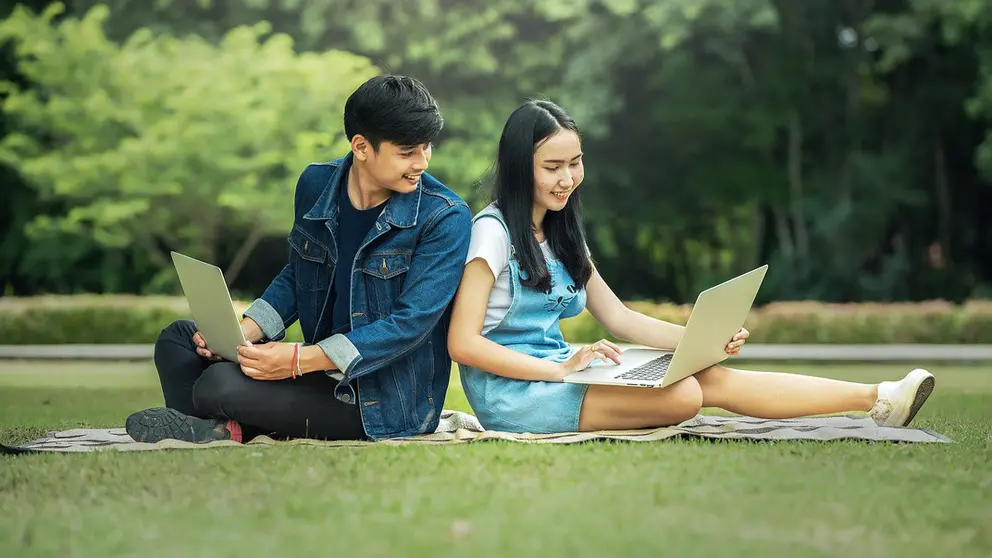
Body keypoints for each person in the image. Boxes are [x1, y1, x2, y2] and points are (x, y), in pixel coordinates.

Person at [446, 99, 935, 434]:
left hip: (562, 370)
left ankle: (879, 398)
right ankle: (875, 399)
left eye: (575, 162)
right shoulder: (492, 233)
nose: (568, 178)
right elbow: (462, 343)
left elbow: (620, 318)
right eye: (552, 167)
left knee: (709, 376)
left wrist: (699, 342)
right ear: (518, 167)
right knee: (685, 397)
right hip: (514, 392)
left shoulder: (560, 231)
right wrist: (558, 372)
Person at [126, 75, 472, 443]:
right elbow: (297, 274)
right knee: (179, 339)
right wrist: (244, 332)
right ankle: (222, 428)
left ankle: (220, 423)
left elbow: (410, 324)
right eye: (407, 152)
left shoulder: (444, 217)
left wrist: (298, 360)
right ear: (361, 146)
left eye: (426, 147)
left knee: (218, 383)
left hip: (380, 399)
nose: (421, 162)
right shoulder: (316, 185)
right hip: (315, 374)